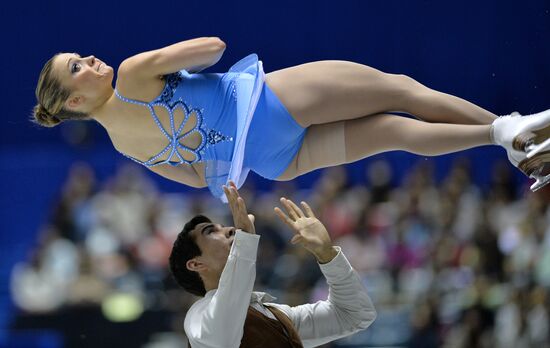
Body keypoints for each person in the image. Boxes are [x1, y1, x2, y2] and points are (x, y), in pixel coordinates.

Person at [33, 37, 550, 200]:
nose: (91, 62)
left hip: (271, 160)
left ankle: (506, 142)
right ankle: (510, 129)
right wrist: (172, 70)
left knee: (396, 132)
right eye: (77, 68)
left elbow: (200, 178)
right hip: (266, 103)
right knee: (403, 91)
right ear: (73, 102)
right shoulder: (131, 73)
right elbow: (214, 48)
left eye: (81, 56)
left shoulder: (126, 149)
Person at [168, 181, 377, 347]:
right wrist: (245, 242)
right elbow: (223, 335)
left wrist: (327, 255)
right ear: (195, 264)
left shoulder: (276, 315)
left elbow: (353, 315)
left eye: (224, 226)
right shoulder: (197, 317)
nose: (230, 229)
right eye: (211, 231)